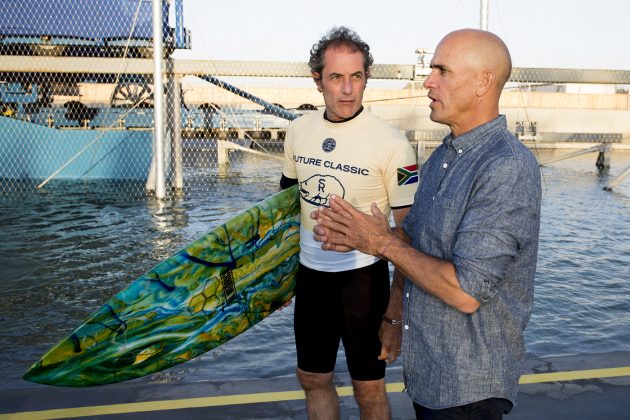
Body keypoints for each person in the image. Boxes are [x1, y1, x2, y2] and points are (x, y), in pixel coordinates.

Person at [312, 29, 542, 419]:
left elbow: (466, 292)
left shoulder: (506, 166)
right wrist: (391, 310)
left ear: (484, 82)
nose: (428, 81)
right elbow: (412, 241)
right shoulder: (443, 157)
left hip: (469, 388)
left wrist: (381, 244)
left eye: (442, 70)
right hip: (431, 373)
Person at [280, 26, 419, 419]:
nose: (346, 89)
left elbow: (410, 237)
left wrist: (394, 315)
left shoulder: (395, 145)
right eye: (336, 77)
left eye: (356, 77)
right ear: (317, 80)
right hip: (310, 281)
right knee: (312, 379)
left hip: (363, 284)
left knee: (369, 390)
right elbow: (288, 211)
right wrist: (280, 276)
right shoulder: (298, 130)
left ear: (366, 79)